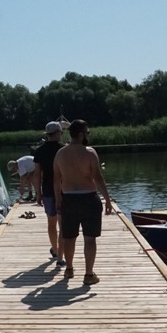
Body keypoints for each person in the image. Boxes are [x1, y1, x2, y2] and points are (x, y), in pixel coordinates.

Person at [53, 119, 113, 283]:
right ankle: (88, 274)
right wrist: (107, 199)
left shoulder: (60, 154)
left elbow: (56, 179)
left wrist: (58, 200)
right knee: (89, 238)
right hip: (88, 199)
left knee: (69, 237)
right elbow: (98, 178)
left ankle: (69, 269)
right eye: (87, 132)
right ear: (80, 134)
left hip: (69, 199)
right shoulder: (90, 153)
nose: (87, 135)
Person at [33, 121, 65, 266]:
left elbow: (37, 175)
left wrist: (38, 194)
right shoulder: (63, 150)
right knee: (62, 224)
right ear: (58, 133)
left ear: (47, 134)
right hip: (64, 191)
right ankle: (60, 257)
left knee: (51, 224)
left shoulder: (39, 151)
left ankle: (56, 250)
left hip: (47, 191)